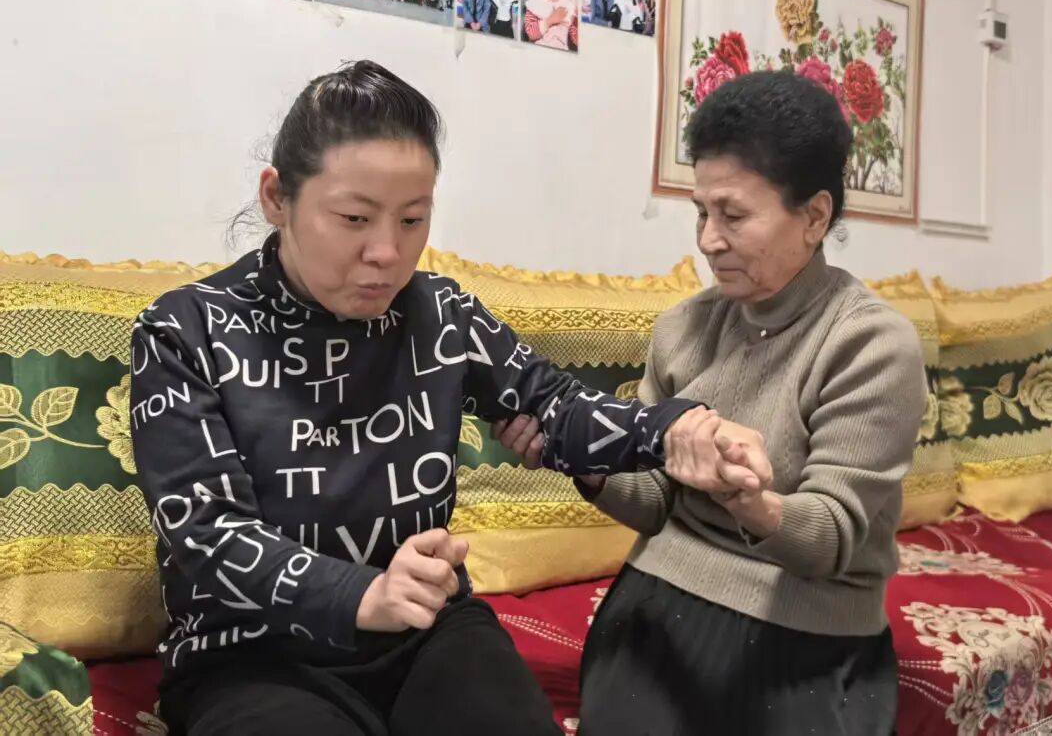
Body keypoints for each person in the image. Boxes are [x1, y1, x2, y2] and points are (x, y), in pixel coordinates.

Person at [131, 60, 751, 736]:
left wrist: (678, 431)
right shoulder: (187, 331)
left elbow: (557, 409)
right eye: (354, 218)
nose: (386, 252)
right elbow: (209, 534)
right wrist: (363, 593)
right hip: (251, 653)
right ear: (278, 198)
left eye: (412, 219)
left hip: (424, 628)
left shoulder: (441, 315)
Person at [494, 71, 926, 736]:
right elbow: (654, 500)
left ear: (814, 217)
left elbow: (830, 538)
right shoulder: (684, 328)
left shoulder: (869, 344)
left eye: (733, 215)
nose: (707, 240)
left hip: (808, 626)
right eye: (701, 212)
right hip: (661, 599)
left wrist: (748, 499)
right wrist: (583, 462)